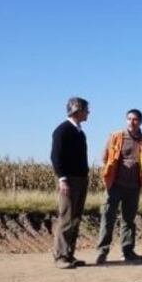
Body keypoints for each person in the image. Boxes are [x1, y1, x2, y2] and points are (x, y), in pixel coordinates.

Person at [95, 109, 142, 264]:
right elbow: (105, 157)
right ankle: (102, 252)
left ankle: (127, 252)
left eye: (135, 119)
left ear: (140, 122)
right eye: (129, 119)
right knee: (108, 217)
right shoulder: (116, 136)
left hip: (133, 186)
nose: (131, 122)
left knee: (128, 220)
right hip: (115, 184)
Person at [50, 96, 91, 269]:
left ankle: (69, 254)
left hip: (81, 179)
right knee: (66, 218)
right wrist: (62, 179)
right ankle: (60, 256)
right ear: (77, 110)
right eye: (86, 109)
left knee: (75, 218)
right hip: (69, 180)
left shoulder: (79, 132)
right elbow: (56, 157)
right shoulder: (62, 130)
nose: (88, 112)